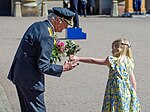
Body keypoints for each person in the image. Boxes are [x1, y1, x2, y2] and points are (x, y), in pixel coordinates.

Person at [7, 7, 78, 112]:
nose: (66, 27)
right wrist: (64, 68)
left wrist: (56, 47)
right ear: (58, 20)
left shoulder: (39, 25)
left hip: (20, 74)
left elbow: (36, 45)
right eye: (66, 24)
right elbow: (43, 66)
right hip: (30, 80)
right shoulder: (47, 35)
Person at [70, 38, 141, 112]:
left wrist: (78, 58)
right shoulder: (128, 61)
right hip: (127, 92)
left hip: (115, 92)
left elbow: (93, 60)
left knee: (113, 107)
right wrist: (134, 95)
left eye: (112, 48)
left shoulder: (112, 60)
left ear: (118, 49)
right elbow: (133, 81)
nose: (111, 50)